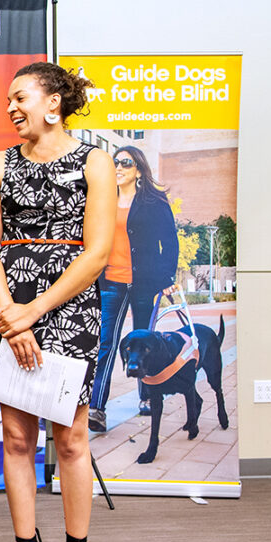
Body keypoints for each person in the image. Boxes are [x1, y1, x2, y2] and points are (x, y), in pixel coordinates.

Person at [0, 61, 116, 542]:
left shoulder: (94, 161)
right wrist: (11, 312)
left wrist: (35, 310)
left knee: (71, 437)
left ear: (53, 103)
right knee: (16, 438)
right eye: (8, 100)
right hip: (8, 311)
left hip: (68, 310)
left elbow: (97, 252)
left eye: (21, 97)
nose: (11, 108)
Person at [88, 146, 179, 431]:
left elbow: (170, 241)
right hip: (111, 282)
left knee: (146, 344)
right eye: (115, 162)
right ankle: (97, 409)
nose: (119, 167)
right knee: (106, 344)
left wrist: (166, 278)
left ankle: (148, 398)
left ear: (138, 169)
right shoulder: (103, 200)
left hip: (144, 284)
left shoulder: (154, 202)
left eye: (126, 163)